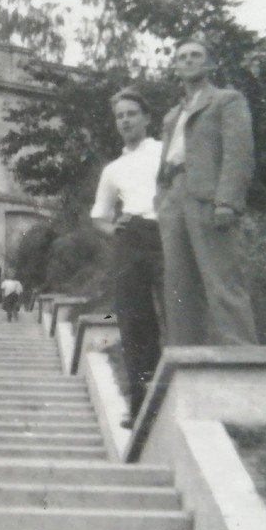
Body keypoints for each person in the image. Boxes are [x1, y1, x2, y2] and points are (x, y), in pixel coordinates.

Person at [157, 36, 259, 348]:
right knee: (178, 285)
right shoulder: (172, 116)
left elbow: (239, 154)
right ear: (175, 67)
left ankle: (242, 352)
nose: (188, 60)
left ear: (210, 64)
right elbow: (165, 160)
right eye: (182, 57)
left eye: (195, 55)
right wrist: (161, 199)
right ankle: (185, 357)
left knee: (222, 278)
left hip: (207, 196)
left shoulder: (227, 100)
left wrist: (227, 200)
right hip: (173, 196)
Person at [91, 87, 164, 427]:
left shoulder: (163, 152)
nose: (125, 120)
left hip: (167, 233)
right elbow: (99, 216)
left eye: (131, 113)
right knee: (133, 320)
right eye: (119, 116)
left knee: (175, 310)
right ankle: (141, 406)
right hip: (131, 238)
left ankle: (177, 394)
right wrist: (114, 229)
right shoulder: (113, 169)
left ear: (146, 117)